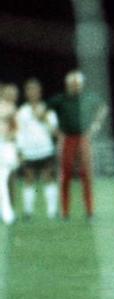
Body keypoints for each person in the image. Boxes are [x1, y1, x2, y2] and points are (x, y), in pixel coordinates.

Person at [46, 70, 107, 221]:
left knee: (86, 174)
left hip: (83, 137)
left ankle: (90, 210)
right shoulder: (60, 99)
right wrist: (54, 130)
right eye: (72, 84)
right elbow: (44, 111)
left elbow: (103, 108)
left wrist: (95, 126)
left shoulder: (88, 97)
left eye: (77, 84)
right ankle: (65, 211)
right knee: (65, 174)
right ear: (67, 85)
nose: (75, 87)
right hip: (67, 139)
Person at [16, 78, 59, 220]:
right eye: (29, 89)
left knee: (49, 179)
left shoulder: (47, 109)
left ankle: (52, 212)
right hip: (29, 152)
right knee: (29, 180)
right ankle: (28, 212)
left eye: (35, 89)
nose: (32, 92)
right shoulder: (22, 111)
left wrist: (43, 118)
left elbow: (54, 131)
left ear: (40, 92)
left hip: (46, 150)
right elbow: (19, 133)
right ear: (26, 93)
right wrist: (20, 151)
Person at [0, 83, 19, 225]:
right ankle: (6, 212)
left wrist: (9, 137)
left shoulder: (11, 108)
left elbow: (16, 129)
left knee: (4, 179)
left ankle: (7, 212)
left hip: (6, 145)